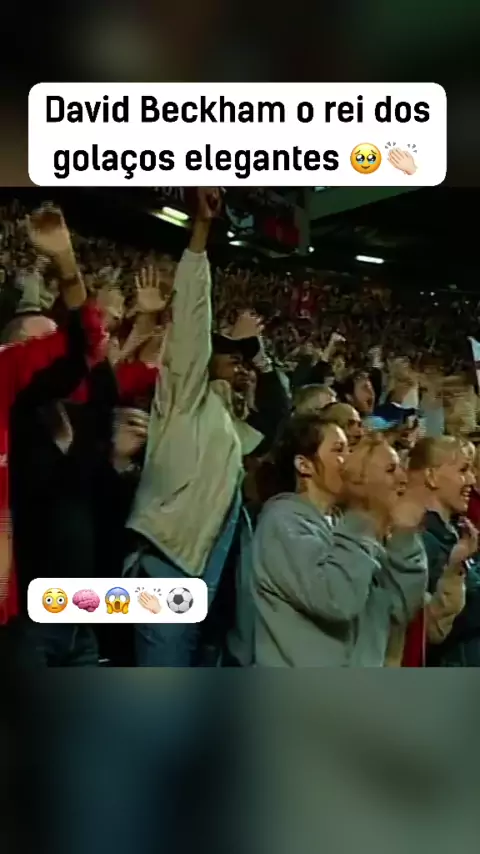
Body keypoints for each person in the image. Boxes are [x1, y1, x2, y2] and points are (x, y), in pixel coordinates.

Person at [124, 188, 289, 667]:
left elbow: (277, 416)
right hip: (170, 566)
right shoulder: (182, 401)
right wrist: (200, 234)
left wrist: (258, 355)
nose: (237, 363)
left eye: (242, 359)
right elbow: (192, 327)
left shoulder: (228, 424)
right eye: (228, 353)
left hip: (213, 588)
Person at [0, 205, 103, 626]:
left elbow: (81, 348)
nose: (48, 350)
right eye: (38, 343)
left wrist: (66, 264)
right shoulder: (19, 410)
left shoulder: (13, 382)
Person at [252, 419, 427, 666]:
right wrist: (364, 517)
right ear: (304, 465)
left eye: (350, 449)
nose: (349, 461)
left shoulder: (346, 524)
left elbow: (397, 607)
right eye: (338, 450)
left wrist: (403, 538)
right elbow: (336, 598)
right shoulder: (281, 523)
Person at [400, 436, 477, 666]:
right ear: (431, 476)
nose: (472, 479)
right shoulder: (418, 541)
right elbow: (432, 628)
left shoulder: (457, 532)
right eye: (463, 470)